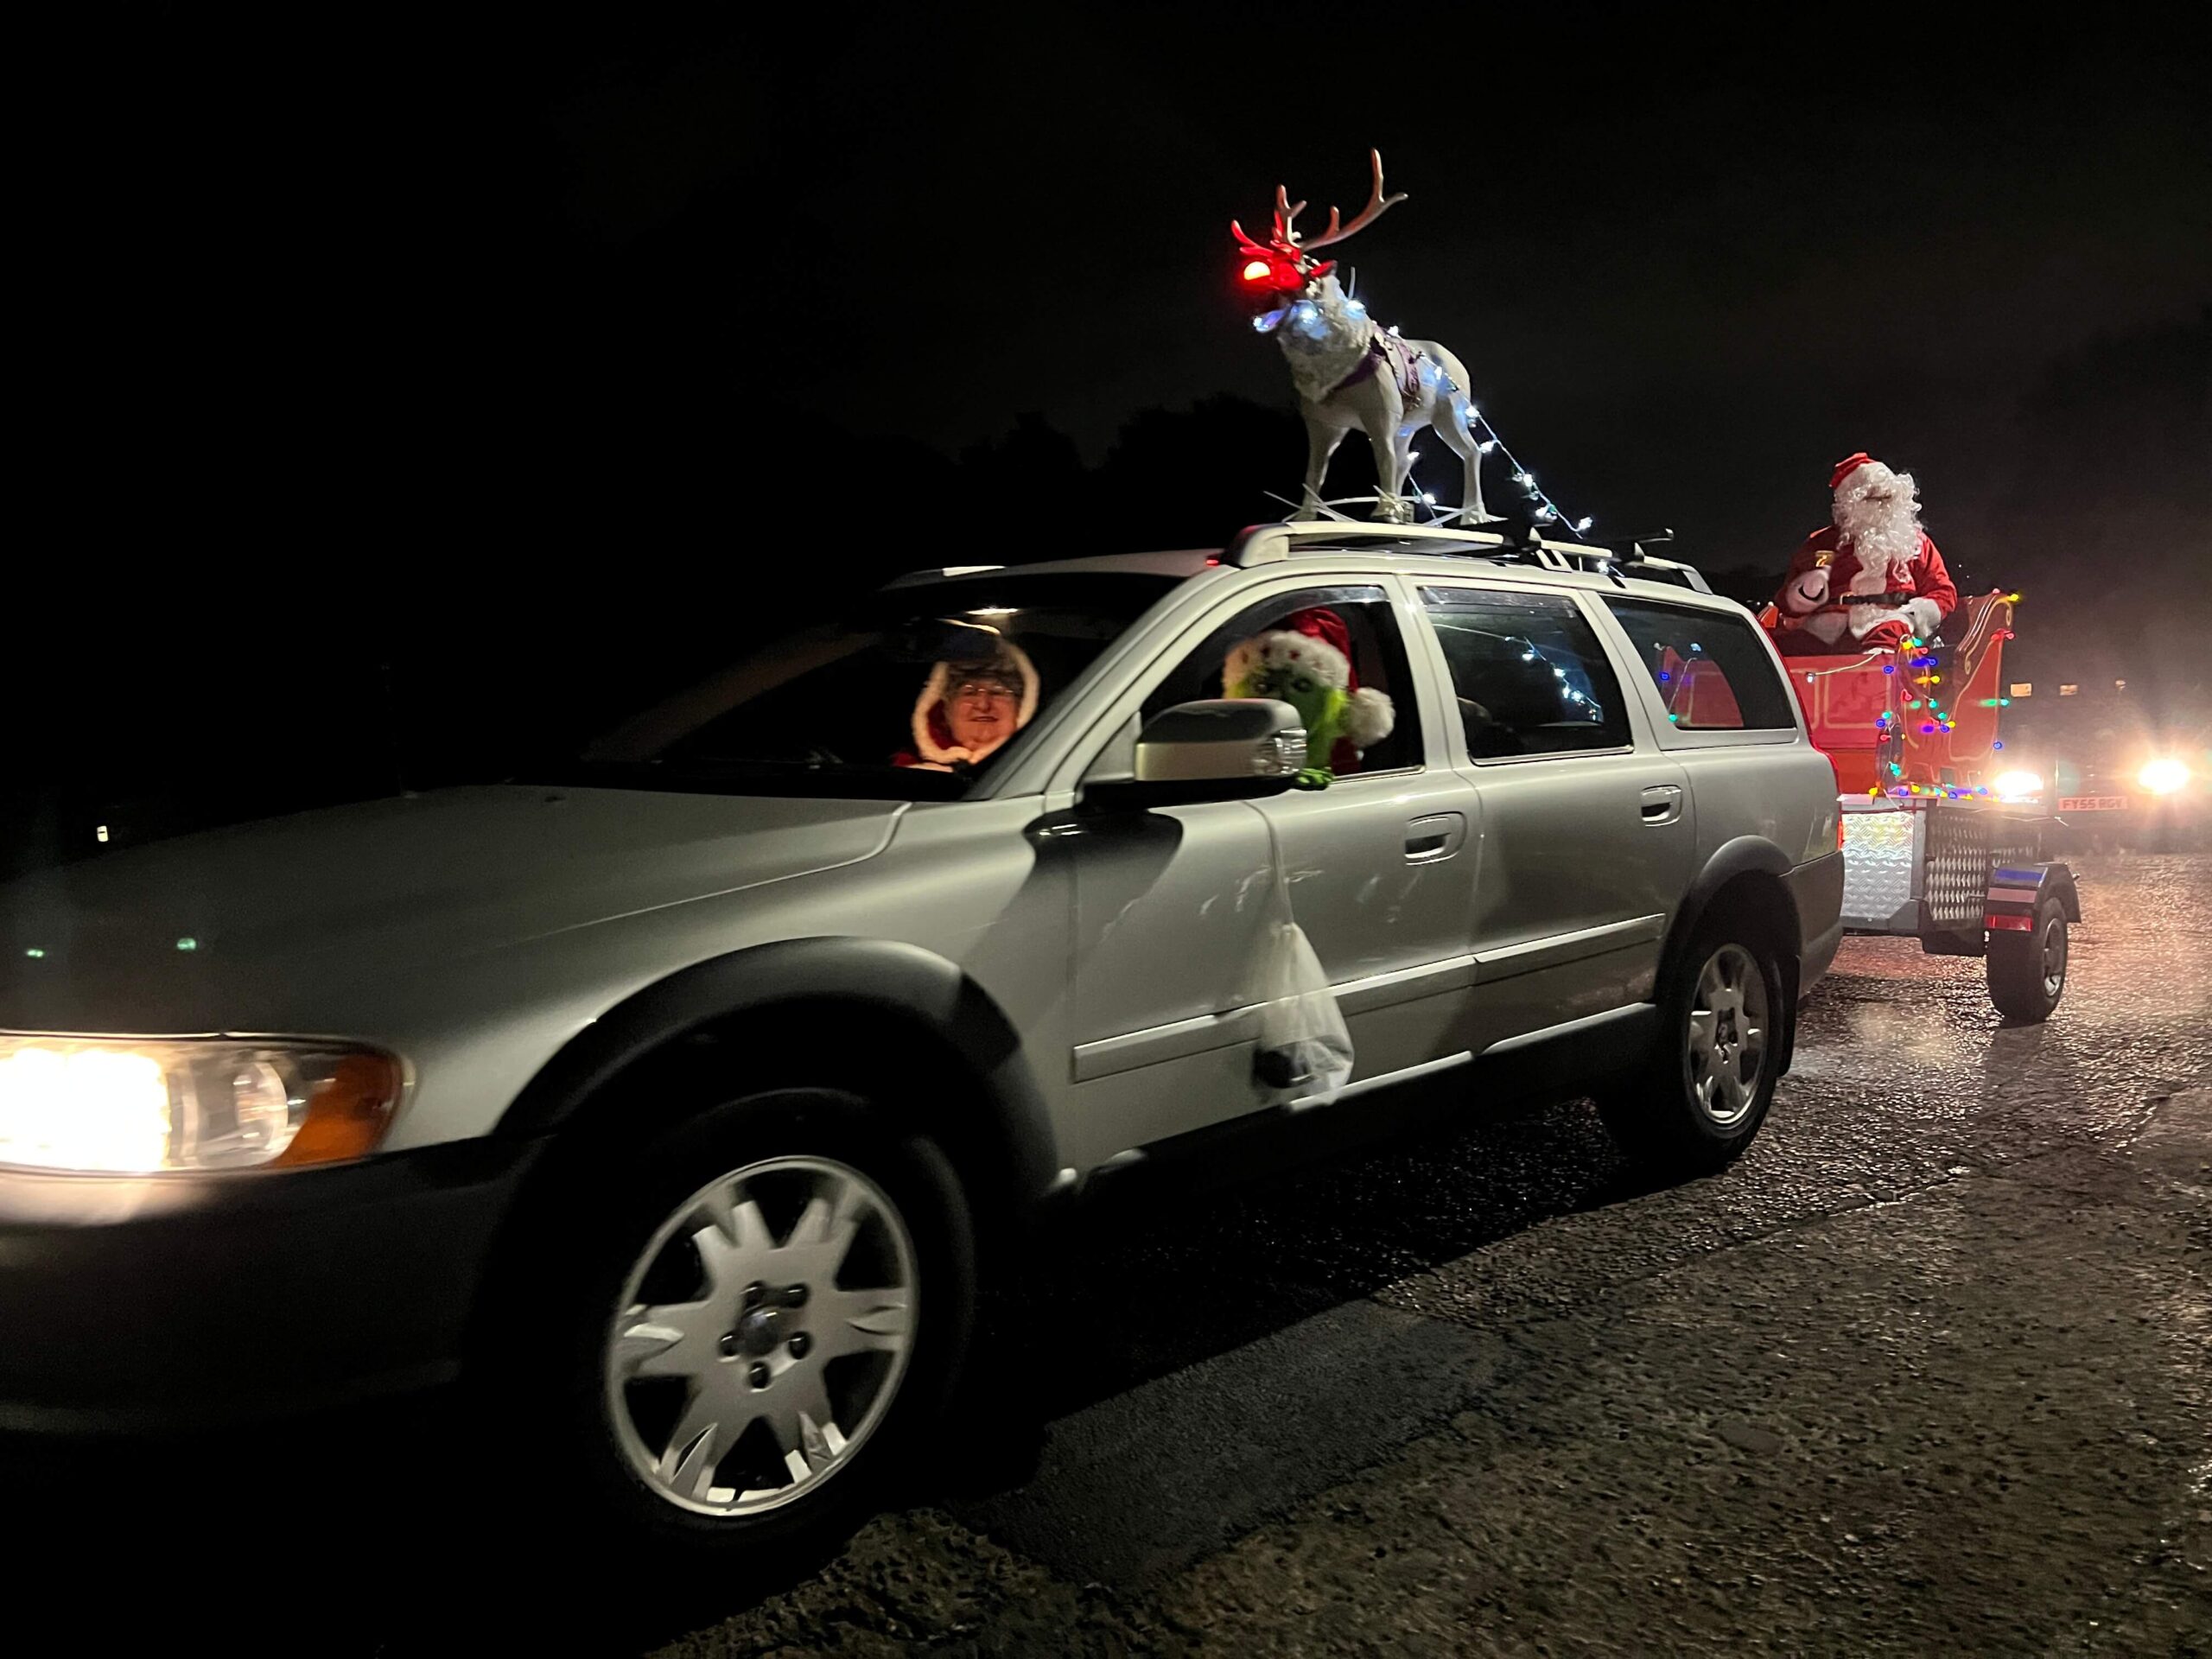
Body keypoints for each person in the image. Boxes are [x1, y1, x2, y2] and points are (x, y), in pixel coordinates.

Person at [1772, 452, 1959, 655]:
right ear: (1850, 504)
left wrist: (1915, 614)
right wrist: (1803, 594)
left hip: (1892, 621)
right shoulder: (1821, 543)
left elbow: (1942, 591)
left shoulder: (1915, 542)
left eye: (1889, 497)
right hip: (1826, 627)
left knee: (1887, 642)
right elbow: (1787, 601)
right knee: (1781, 647)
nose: (1883, 505)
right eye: (1873, 499)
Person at [1224, 607, 1394, 785]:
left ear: (1331, 702)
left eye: (1302, 686)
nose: (1283, 698)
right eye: (1264, 686)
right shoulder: (1219, 751)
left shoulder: (1343, 769)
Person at [894, 640, 1039, 772]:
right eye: (969, 692)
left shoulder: (1043, 769)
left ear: (1021, 708)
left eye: (997, 692)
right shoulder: (906, 778)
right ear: (946, 712)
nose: (983, 705)